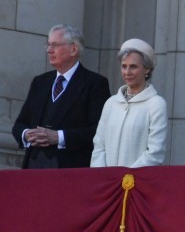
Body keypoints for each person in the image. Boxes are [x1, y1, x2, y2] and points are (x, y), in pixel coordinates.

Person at [12, 25, 111, 169]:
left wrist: (59, 137)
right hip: (33, 166)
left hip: (69, 170)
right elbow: (20, 124)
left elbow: (99, 131)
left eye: (55, 45)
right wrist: (27, 134)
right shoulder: (40, 82)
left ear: (74, 49)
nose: (49, 50)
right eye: (48, 44)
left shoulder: (95, 84)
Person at [91, 39, 168, 167]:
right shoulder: (111, 103)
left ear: (147, 69)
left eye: (133, 66)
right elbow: (99, 146)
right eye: (124, 66)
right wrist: (102, 175)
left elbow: (155, 152)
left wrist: (127, 177)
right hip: (108, 182)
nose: (127, 72)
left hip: (138, 182)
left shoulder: (156, 104)